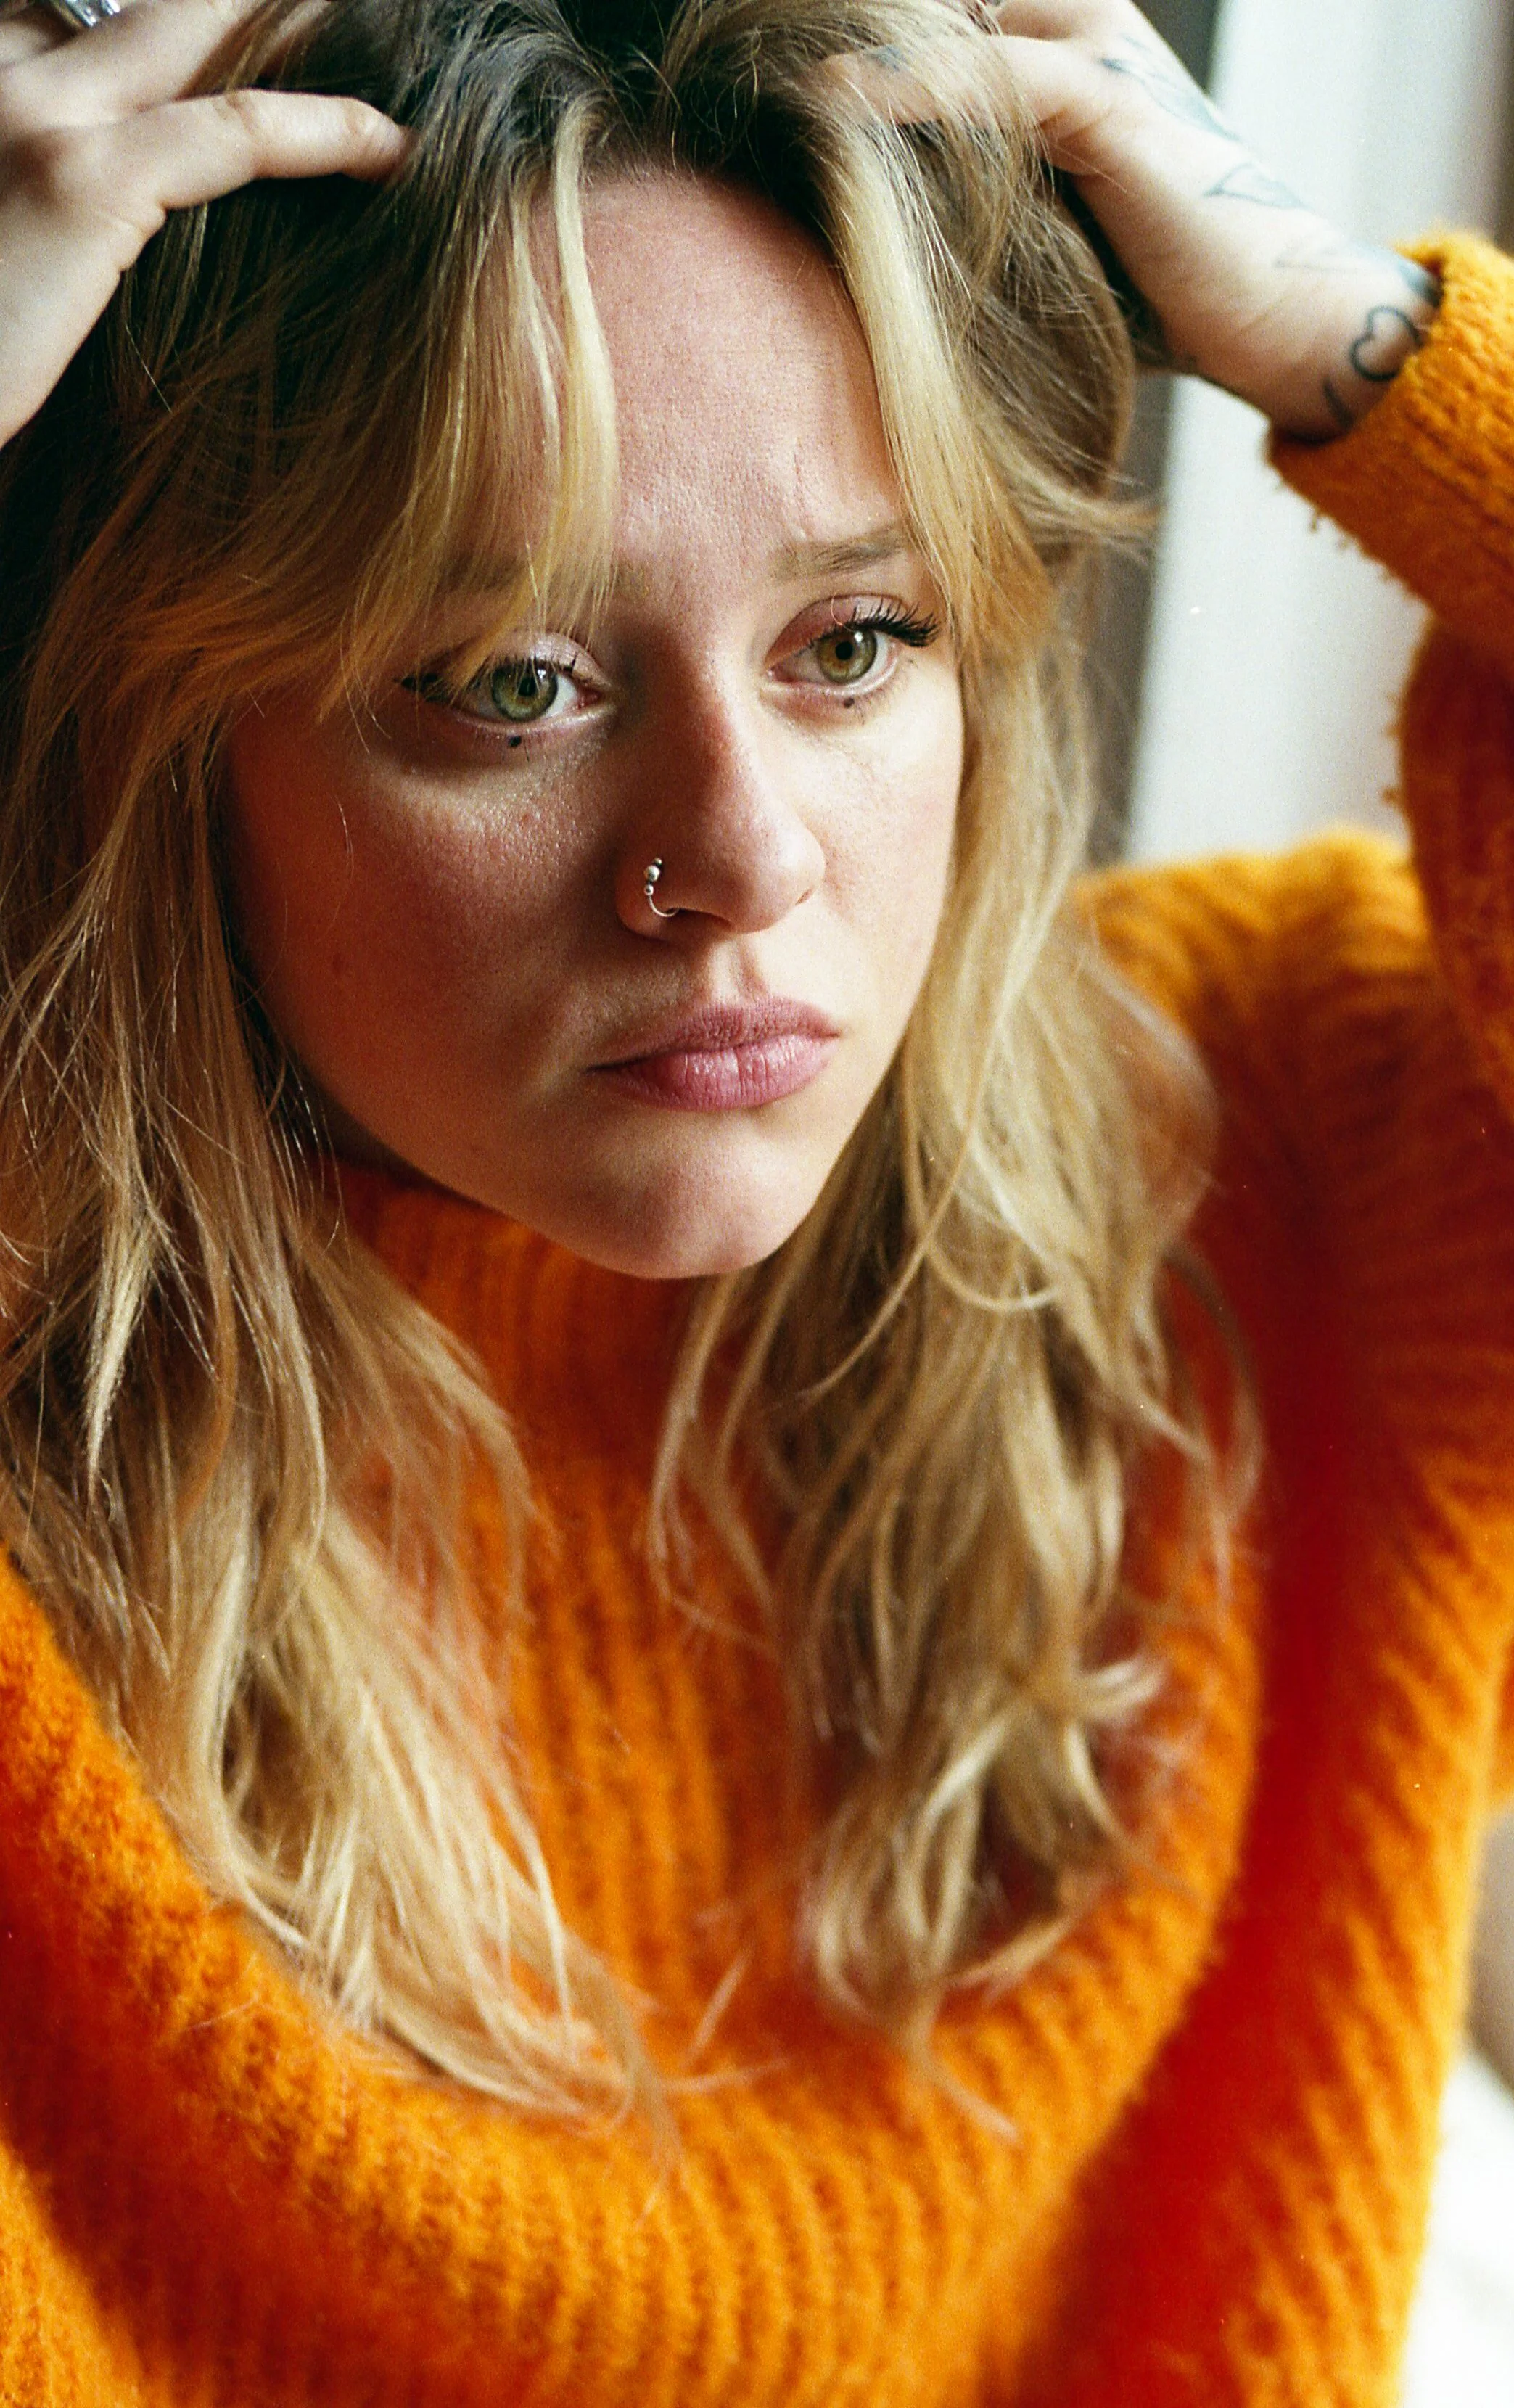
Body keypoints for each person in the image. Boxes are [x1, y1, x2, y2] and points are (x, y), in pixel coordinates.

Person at [0, 0, 1509, 2398]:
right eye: (511, 680)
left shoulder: (1287, 1176)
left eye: (854, 641)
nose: (743, 860)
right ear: (165, 737)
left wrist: (1361, 342)